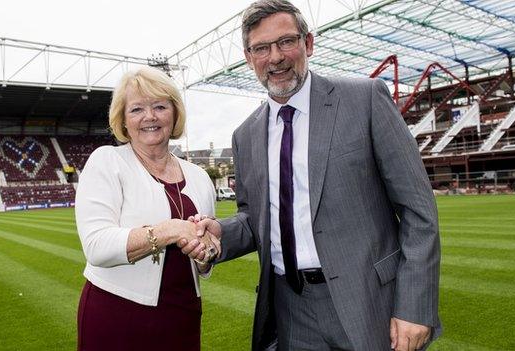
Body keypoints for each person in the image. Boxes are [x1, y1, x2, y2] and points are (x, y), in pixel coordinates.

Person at [180, 1, 441, 350]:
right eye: (262, 48)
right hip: (290, 309)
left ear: (309, 44)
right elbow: (254, 217)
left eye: (286, 42)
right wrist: (220, 233)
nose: (275, 57)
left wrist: (415, 306)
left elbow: (418, 210)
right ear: (249, 57)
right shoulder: (245, 135)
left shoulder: (364, 99)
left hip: (368, 302)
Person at [75, 66, 218, 351]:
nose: (149, 116)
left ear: (174, 114)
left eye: (160, 106)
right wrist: (168, 230)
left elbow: (204, 261)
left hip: (183, 313)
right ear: (124, 121)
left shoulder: (199, 176)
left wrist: (206, 255)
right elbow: (96, 246)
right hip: (117, 313)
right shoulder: (107, 161)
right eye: (137, 109)